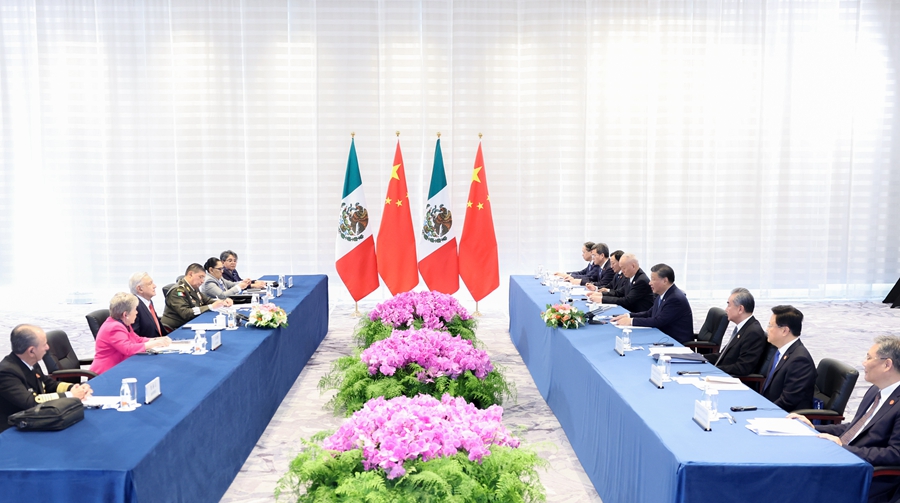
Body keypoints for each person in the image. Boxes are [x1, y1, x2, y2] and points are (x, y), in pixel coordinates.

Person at [789, 335, 900, 503]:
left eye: (869, 358)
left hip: (868, 476)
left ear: (887, 364)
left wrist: (844, 448)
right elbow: (857, 427)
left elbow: (895, 454)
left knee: (797, 480)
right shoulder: (875, 391)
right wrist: (812, 427)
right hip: (844, 459)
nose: (863, 363)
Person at [0, 324, 92, 431]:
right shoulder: (6, 372)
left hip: (36, 419)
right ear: (31, 351)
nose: (47, 347)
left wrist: (73, 388)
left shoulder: (31, 362)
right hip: (14, 429)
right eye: (44, 344)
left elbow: (48, 383)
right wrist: (70, 395)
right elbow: (31, 403)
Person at [90, 293, 172, 374]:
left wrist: (155, 339)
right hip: (106, 372)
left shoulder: (124, 323)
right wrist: (154, 344)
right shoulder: (114, 328)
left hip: (121, 366)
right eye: (135, 310)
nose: (137, 312)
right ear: (125, 314)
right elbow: (128, 349)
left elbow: (137, 339)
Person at [611, 263, 693, 344]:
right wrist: (628, 316)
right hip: (663, 337)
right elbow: (649, 313)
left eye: (653, 279)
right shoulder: (663, 294)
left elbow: (658, 321)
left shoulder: (675, 298)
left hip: (675, 342)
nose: (650, 283)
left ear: (665, 280)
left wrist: (631, 321)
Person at [761, 305, 816, 412]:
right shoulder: (780, 352)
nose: (767, 329)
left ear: (785, 330)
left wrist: (763, 411)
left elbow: (788, 401)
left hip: (785, 416)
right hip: (770, 408)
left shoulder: (800, 360)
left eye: (770, 325)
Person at [705, 288, 769, 376]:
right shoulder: (742, 327)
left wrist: (711, 369)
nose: (726, 309)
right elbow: (724, 356)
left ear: (740, 309)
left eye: (729, 305)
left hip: (734, 380)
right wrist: (699, 357)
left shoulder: (753, 332)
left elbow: (743, 368)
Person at [161, 263, 233, 331]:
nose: (202, 281)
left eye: (203, 278)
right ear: (191, 274)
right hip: (176, 328)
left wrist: (223, 302)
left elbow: (206, 300)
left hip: (190, 323)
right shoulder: (178, 291)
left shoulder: (193, 287)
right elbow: (186, 313)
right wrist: (211, 307)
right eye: (200, 277)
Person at [588, 253, 654, 313]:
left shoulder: (641, 280)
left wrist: (602, 299)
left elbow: (627, 300)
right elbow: (619, 293)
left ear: (633, 266)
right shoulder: (630, 276)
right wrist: (601, 294)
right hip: (629, 311)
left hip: (639, 314)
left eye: (624, 268)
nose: (622, 271)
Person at [129, 272, 164, 338]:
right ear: (139, 289)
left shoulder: (148, 302)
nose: (154, 286)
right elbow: (135, 337)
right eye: (150, 283)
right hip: (149, 346)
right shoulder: (134, 306)